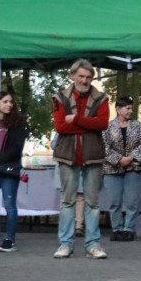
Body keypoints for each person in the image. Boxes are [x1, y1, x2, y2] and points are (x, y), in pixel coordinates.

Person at [52, 59, 110, 259]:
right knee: (67, 201)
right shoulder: (60, 97)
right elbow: (60, 127)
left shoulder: (101, 98)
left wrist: (75, 119)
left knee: (92, 202)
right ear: (72, 76)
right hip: (67, 154)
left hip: (93, 155)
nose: (85, 81)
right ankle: (65, 244)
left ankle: (93, 244)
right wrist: (89, 124)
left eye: (88, 77)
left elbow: (102, 123)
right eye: (81, 76)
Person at [101, 96, 141, 242]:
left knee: (131, 201)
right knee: (114, 201)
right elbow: (103, 147)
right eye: (127, 108)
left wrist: (131, 158)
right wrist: (118, 159)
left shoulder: (138, 126)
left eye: (131, 108)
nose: (130, 111)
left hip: (134, 168)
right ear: (118, 109)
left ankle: (128, 229)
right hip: (112, 169)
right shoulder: (107, 127)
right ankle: (116, 229)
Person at [0, 92, 27, 253]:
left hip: (9, 170)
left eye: (11, 102)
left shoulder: (18, 123)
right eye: (5, 101)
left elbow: (16, 148)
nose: (9, 104)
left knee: (9, 205)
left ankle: (9, 239)